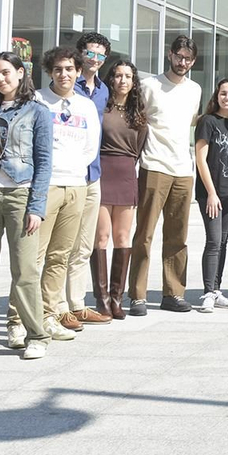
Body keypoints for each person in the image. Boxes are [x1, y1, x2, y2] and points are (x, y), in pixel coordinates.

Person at [0, 52, 51, 359]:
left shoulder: (37, 111)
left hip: (21, 194)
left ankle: (37, 335)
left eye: (6, 72)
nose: (0, 79)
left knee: (25, 269)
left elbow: (44, 162)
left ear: (21, 73)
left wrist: (37, 205)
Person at [127, 35, 204, 315]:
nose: (182, 62)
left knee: (177, 236)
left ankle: (173, 293)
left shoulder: (195, 89)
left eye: (188, 58)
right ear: (169, 55)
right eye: (178, 56)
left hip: (184, 169)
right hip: (154, 165)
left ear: (193, 61)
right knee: (145, 234)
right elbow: (137, 122)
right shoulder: (149, 86)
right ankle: (137, 295)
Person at [36, 46, 103, 343]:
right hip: (45, 186)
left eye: (69, 69)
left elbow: (91, 146)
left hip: (76, 184)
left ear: (78, 72)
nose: (64, 74)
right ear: (50, 71)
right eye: (58, 69)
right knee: (35, 256)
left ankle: (50, 314)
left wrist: (73, 168)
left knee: (60, 255)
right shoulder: (38, 100)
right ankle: (27, 315)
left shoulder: (85, 106)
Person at [97, 58, 147, 319]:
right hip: (103, 171)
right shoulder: (101, 108)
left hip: (127, 173)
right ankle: (102, 298)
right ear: (111, 79)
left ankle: (117, 297)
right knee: (102, 237)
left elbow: (138, 147)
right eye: (118, 75)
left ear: (133, 81)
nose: (123, 80)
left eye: (128, 76)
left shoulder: (138, 112)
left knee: (123, 237)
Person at [68, 31, 112, 325]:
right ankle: (56, 304)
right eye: (90, 53)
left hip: (93, 174)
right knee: (63, 244)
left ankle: (76, 303)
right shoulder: (68, 85)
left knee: (85, 244)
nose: (94, 60)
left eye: (100, 55)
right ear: (80, 54)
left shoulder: (104, 91)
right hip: (67, 174)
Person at [195, 79, 228, 312]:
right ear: (216, 96)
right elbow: (200, 159)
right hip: (212, 193)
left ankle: (217, 290)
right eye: (223, 93)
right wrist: (211, 193)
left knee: (223, 242)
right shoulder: (207, 121)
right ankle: (207, 292)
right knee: (214, 241)